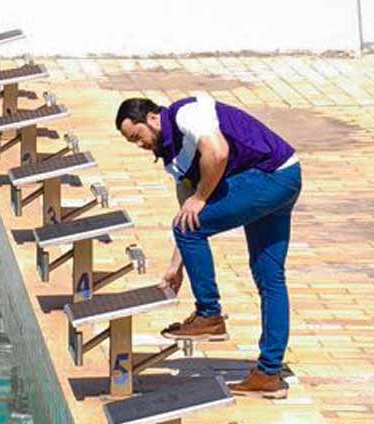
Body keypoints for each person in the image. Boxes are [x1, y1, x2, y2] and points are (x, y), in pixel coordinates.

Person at [115, 93, 301, 399]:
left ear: (150, 118)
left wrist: (201, 197)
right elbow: (188, 219)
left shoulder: (186, 114)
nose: (140, 145)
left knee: (190, 230)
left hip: (270, 176)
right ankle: (269, 375)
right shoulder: (175, 158)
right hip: (287, 174)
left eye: (138, 136)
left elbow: (218, 152)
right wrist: (177, 267)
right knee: (270, 278)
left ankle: (209, 315)